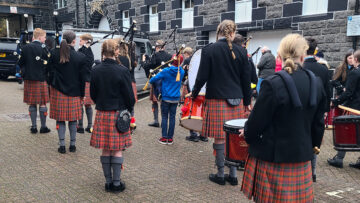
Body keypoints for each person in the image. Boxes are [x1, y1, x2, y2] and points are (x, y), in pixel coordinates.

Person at [241, 33, 326, 202]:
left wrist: (248, 134)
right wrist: (313, 145)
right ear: (303, 55)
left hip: (272, 158)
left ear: (279, 56)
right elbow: (318, 123)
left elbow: (257, 121)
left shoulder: (272, 83)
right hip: (301, 157)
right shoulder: (316, 82)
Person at [191, 20, 251, 186]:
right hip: (237, 100)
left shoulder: (210, 50)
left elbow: (202, 76)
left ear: (219, 32)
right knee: (232, 137)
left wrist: (194, 93)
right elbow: (246, 80)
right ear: (233, 33)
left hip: (216, 99)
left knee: (219, 138)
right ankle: (232, 175)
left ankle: (220, 174)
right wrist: (247, 102)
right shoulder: (241, 51)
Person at [90, 39, 135, 193]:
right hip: (118, 114)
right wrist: (128, 110)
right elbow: (130, 97)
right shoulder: (122, 70)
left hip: (102, 113)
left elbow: (93, 94)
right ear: (116, 51)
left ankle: (108, 182)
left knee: (106, 149)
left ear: (103, 51)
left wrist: (101, 104)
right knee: (116, 149)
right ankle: (116, 184)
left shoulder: (95, 70)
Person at [48, 30, 86, 154]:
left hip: (58, 91)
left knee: (60, 119)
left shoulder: (53, 53)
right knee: (73, 120)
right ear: (74, 41)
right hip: (74, 92)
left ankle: (62, 145)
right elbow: (82, 79)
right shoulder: (80, 57)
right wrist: (82, 94)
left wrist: (52, 84)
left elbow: (48, 72)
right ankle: (73, 145)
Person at [303, 38, 331, 182]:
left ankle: (304, 170)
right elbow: (328, 92)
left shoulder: (299, 66)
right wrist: (325, 110)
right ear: (315, 50)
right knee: (315, 140)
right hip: (317, 110)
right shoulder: (323, 69)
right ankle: (312, 172)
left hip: (301, 110)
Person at [329, 50, 360, 169]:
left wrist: (336, 102)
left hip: (354, 107)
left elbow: (349, 93)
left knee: (346, 131)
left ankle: (339, 158)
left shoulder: (355, 73)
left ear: (356, 59)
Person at [18, 28, 51, 134]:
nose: (45, 39)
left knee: (32, 104)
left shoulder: (26, 47)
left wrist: (25, 71)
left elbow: (20, 62)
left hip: (29, 79)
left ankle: (33, 127)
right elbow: (48, 64)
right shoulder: (44, 48)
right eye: (45, 37)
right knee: (42, 104)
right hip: (41, 79)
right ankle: (43, 127)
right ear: (40, 37)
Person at [150, 54, 185, 145]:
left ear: (171, 60)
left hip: (166, 98)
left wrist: (154, 75)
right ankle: (170, 139)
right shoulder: (182, 72)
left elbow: (152, 80)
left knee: (165, 117)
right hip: (176, 98)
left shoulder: (166, 71)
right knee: (172, 118)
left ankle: (164, 137)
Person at [143, 40, 172, 127]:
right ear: (164, 47)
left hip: (156, 82)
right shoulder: (169, 56)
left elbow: (148, 66)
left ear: (157, 47)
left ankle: (156, 121)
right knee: (164, 102)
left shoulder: (155, 55)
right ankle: (164, 121)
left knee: (155, 102)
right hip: (166, 82)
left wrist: (145, 60)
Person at [181, 47, 208, 142]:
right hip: (205, 88)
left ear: (185, 53)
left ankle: (193, 134)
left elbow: (183, 74)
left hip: (192, 87)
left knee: (191, 109)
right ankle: (204, 135)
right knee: (203, 110)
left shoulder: (188, 60)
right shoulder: (202, 58)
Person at [77, 34, 95, 134]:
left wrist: (86, 47)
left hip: (87, 80)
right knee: (80, 104)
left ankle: (89, 126)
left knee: (87, 104)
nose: (79, 42)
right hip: (80, 80)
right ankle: (80, 126)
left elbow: (87, 62)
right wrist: (84, 48)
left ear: (86, 41)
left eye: (81, 40)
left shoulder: (89, 52)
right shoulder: (81, 50)